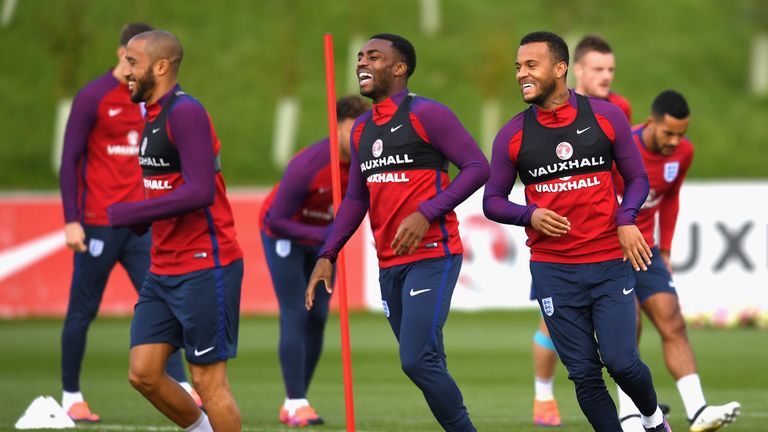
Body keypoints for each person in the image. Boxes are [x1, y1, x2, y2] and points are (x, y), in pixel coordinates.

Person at [484, 31, 670, 432]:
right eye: (518, 67)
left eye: (530, 65)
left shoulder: (605, 116)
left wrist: (626, 218)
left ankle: (654, 420)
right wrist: (529, 215)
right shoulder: (512, 134)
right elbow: (492, 201)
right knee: (584, 374)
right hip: (554, 270)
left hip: (608, 262)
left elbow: (637, 178)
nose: (521, 74)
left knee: (622, 361)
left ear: (560, 68)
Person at [305, 33, 489, 432]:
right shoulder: (360, 130)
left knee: (416, 359)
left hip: (434, 255)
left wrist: (427, 212)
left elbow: (477, 167)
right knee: (426, 361)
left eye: (374, 56)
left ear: (400, 67)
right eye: (359, 57)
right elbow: (355, 199)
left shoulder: (428, 115)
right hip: (389, 263)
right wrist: (327, 253)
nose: (361, 63)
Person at [58, 22, 199, 423]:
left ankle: (183, 390)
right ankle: (72, 396)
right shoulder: (93, 97)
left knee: (167, 306)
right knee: (82, 311)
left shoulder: (154, 101)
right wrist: (71, 219)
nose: (135, 67)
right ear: (123, 54)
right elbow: (69, 160)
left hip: (144, 225)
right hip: (99, 223)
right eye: (131, 58)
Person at [108, 30, 243, 432]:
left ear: (161, 66)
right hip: (163, 268)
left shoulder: (185, 112)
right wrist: (144, 217)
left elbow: (200, 190)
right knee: (144, 373)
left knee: (206, 381)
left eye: (133, 62)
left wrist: (136, 210)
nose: (125, 71)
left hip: (205, 264)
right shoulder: (151, 116)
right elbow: (169, 187)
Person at [612, 91, 740, 432]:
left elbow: (670, 199)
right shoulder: (622, 147)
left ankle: (698, 411)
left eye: (681, 134)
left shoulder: (684, 152)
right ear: (651, 122)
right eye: (668, 132)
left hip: (647, 250)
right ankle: (628, 416)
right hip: (610, 248)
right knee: (628, 328)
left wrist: (665, 248)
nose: (675, 141)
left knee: (672, 320)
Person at [530, 33, 635, 427]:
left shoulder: (617, 109)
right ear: (575, 70)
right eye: (598, 69)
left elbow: (628, 169)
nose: (606, 76)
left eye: (611, 69)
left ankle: (631, 402)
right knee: (550, 324)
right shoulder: (542, 112)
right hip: (557, 243)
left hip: (604, 237)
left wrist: (625, 216)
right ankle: (543, 396)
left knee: (621, 333)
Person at [259, 95, 369, 427]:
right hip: (285, 239)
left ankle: (296, 401)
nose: (362, 136)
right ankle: (296, 401)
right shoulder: (309, 163)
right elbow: (277, 219)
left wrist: (332, 237)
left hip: (323, 244)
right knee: (296, 311)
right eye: (355, 129)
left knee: (319, 315)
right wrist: (326, 234)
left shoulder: (364, 164)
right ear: (338, 126)